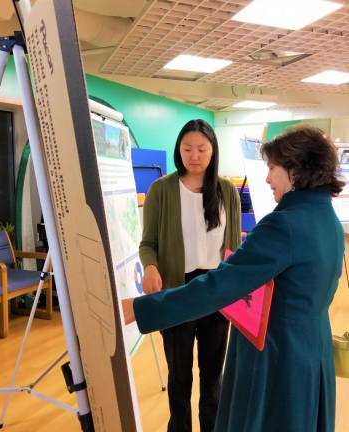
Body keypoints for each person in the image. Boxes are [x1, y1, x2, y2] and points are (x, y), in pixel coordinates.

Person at [124, 126, 345, 432]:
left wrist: (139, 308)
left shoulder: (284, 225)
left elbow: (218, 285)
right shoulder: (328, 219)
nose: (267, 179)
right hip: (310, 347)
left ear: (295, 170)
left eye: (272, 169)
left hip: (274, 350)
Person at [139, 119, 241, 432]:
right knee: (179, 378)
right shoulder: (161, 189)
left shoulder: (226, 191)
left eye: (201, 149)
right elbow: (148, 244)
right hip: (178, 293)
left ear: (213, 152)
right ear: (178, 150)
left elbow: (234, 250)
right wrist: (150, 266)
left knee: (212, 378)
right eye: (187, 149)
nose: (193, 155)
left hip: (215, 293)